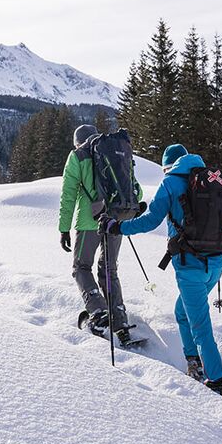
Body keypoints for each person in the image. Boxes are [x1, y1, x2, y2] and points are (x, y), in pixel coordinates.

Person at [98, 143, 222, 399]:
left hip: (190, 265)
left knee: (200, 324)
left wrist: (117, 227)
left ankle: (218, 381)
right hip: (216, 262)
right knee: (182, 312)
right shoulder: (213, 179)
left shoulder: (170, 183)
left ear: (167, 167)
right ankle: (193, 361)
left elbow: (150, 221)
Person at [59, 124, 142, 346]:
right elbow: (137, 190)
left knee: (81, 267)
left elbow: (68, 195)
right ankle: (121, 322)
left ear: (78, 141)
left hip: (89, 222)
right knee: (109, 269)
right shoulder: (116, 150)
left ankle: (98, 312)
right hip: (116, 220)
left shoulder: (78, 155)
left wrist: (63, 228)